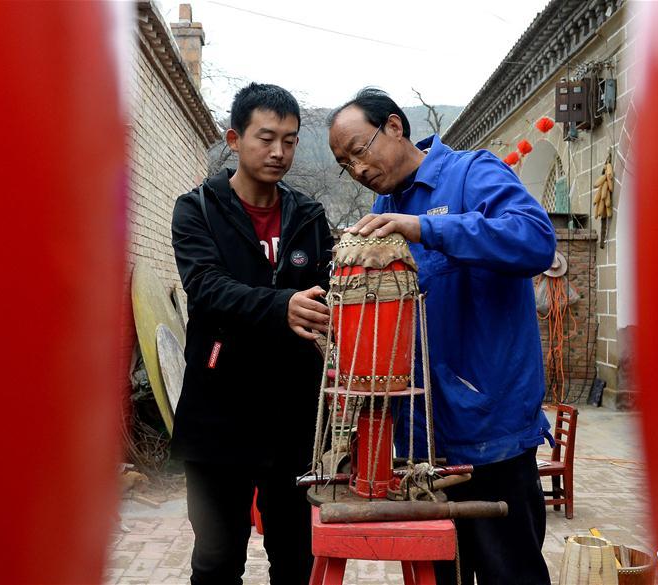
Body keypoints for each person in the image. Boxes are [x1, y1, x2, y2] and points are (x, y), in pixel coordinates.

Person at [327, 88, 557, 585]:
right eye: (345, 163)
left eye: (359, 150)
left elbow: (535, 239)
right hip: (420, 445)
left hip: (489, 434)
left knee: (508, 572)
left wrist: (429, 229)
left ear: (393, 126)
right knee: (439, 575)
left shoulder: (474, 172)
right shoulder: (384, 209)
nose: (357, 169)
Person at [171, 83, 333, 585]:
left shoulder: (308, 216)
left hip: (294, 417)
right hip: (219, 414)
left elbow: (329, 291)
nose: (279, 151)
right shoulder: (196, 208)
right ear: (234, 139)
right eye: (266, 138)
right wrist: (282, 304)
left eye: (289, 139)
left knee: (297, 558)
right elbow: (206, 287)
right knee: (217, 561)